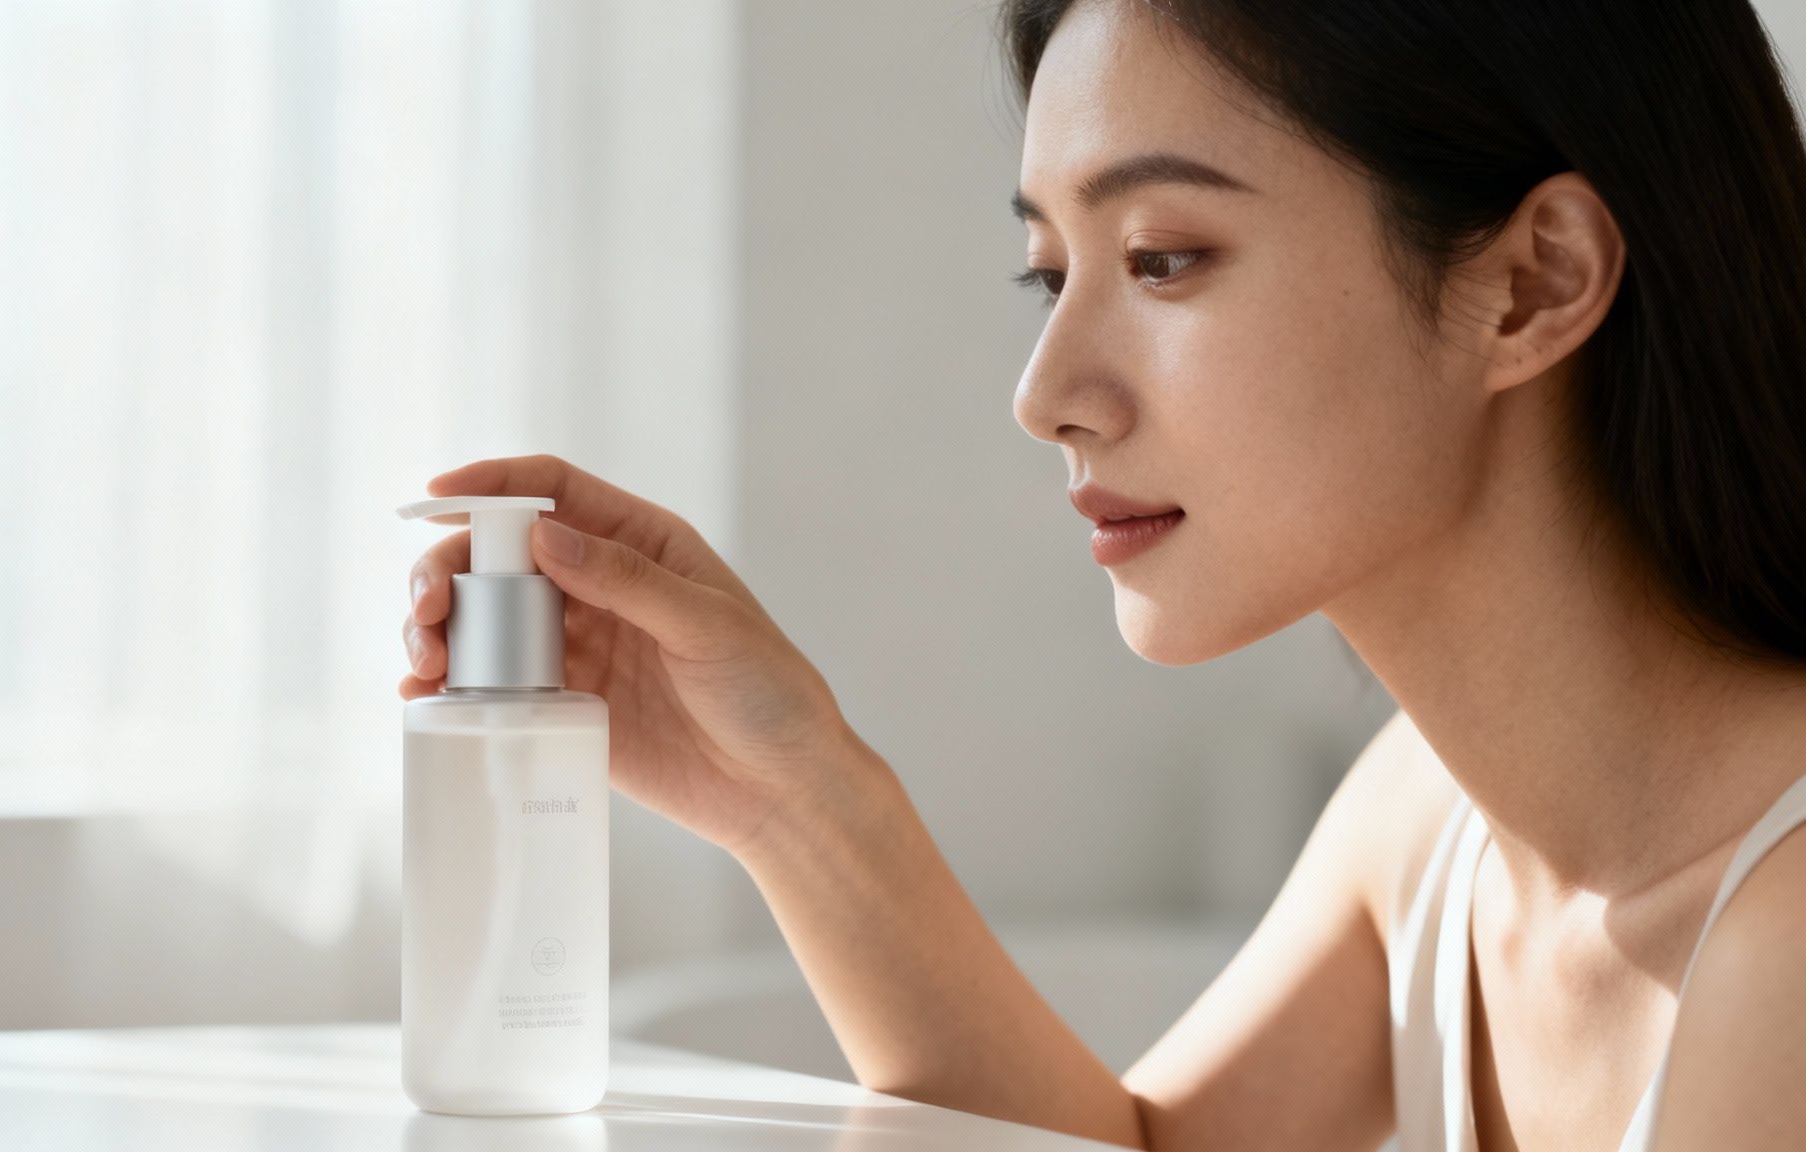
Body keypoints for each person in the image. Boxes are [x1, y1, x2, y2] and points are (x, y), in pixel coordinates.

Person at [400, 1, 1806, 1147]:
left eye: (1163, 259)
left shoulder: (1783, 943)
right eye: (1048, 272)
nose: (1045, 393)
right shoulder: (1433, 824)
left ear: (1534, 281)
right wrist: (791, 796)